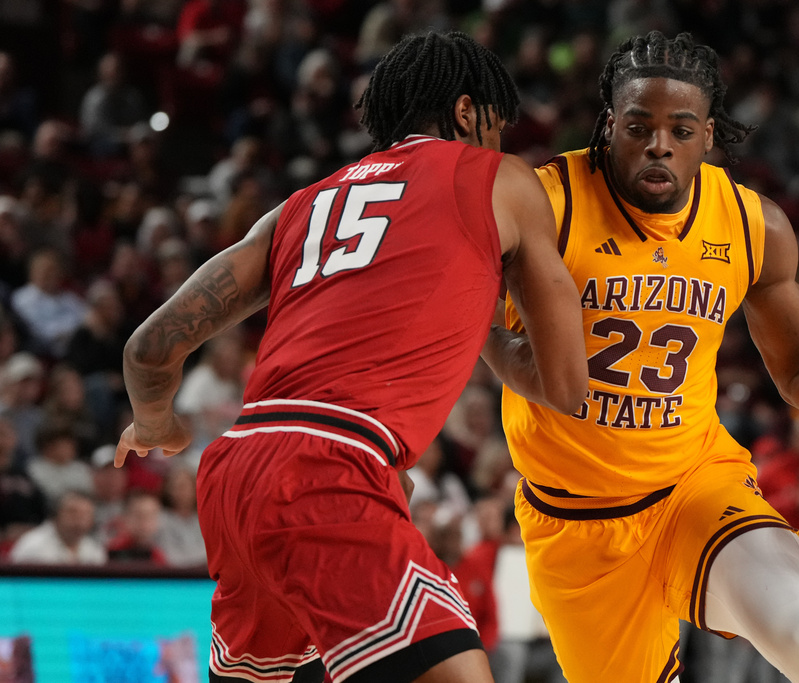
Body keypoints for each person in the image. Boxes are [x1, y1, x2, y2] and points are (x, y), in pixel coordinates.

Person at [490, 31, 799, 683]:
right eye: (639, 127)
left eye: (681, 130)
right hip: (575, 523)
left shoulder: (751, 224)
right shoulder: (545, 201)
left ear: (708, 136)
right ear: (610, 124)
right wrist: (489, 337)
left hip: (695, 487)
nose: (659, 144)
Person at [115, 31, 587, 683]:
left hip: (235, 472)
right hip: (332, 466)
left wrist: (156, 423)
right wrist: (480, 321)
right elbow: (564, 383)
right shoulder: (499, 177)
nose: (500, 141)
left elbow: (149, 348)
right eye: (497, 124)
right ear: (466, 112)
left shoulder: (299, 205)